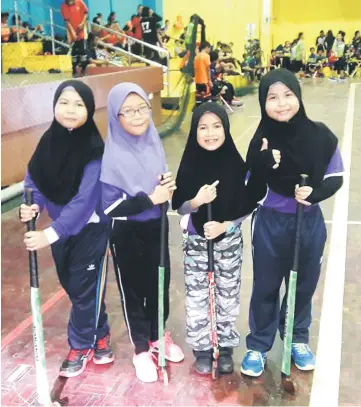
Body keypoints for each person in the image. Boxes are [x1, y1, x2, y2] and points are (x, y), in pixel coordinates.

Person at [241, 69, 344, 377]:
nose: (282, 103)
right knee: (266, 286)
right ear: (263, 103)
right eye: (272, 97)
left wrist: (315, 193)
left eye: (288, 95)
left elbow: (335, 176)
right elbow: (250, 191)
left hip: (309, 224)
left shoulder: (320, 135)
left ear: (298, 95)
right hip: (271, 225)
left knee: (303, 285)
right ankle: (258, 344)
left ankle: (297, 338)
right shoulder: (260, 141)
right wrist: (261, 166)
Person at [20, 81, 114, 378]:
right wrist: (33, 205)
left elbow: (85, 201)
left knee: (84, 292)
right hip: (63, 232)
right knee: (75, 288)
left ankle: (80, 345)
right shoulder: (49, 141)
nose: (70, 109)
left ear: (88, 110)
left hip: (90, 231)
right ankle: (100, 334)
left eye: (78, 104)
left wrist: (48, 234)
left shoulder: (95, 150)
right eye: (64, 102)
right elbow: (35, 179)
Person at [100, 82, 184, 383]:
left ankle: (158, 336)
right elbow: (109, 208)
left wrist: (166, 188)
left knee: (160, 284)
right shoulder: (111, 156)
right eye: (128, 111)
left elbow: (158, 188)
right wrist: (151, 198)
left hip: (156, 225)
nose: (137, 116)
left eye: (142, 109)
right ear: (115, 116)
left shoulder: (153, 142)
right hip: (127, 232)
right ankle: (139, 350)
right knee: (134, 293)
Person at [172, 103, 264, 375]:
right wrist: (197, 202)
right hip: (197, 244)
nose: (210, 133)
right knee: (198, 297)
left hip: (229, 243)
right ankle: (201, 348)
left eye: (216, 126)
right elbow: (179, 206)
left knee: (227, 296)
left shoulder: (236, 164)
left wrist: (226, 225)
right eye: (203, 127)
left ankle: (225, 347)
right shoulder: (189, 164)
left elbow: (249, 204)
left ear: (225, 128)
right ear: (195, 131)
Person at [61, 0, 88, 77]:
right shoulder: (64, 6)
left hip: (81, 30)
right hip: (71, 31)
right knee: (74, 52)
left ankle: (83, 69)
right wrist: (72, 33)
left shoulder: (80, 2)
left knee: (83, 51)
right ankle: (74, 70)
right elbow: (67, 21)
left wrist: (82, 23)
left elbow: (85, 13)